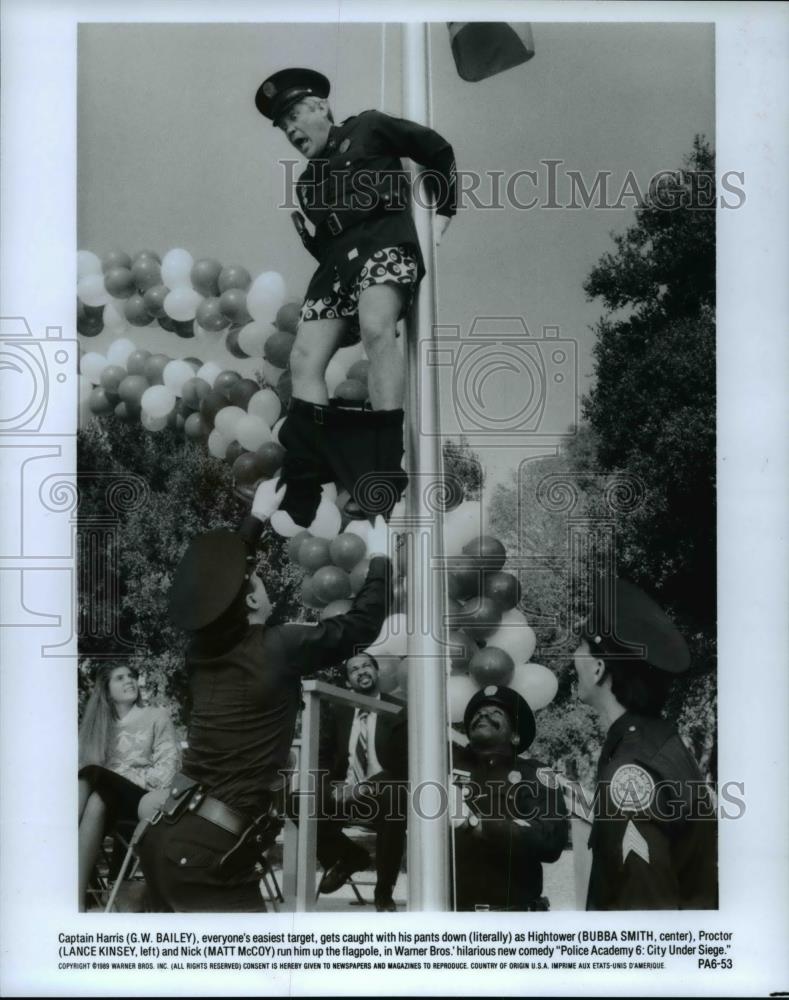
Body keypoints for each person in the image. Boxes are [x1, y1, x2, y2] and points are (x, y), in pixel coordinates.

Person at [135, 481, 392, 911]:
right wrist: (382, 558)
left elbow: (215, 593)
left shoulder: (201, 654)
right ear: (253, 597)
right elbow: (362, 625)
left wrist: (254, 520)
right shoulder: (280, 646)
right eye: (257, 578)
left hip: (166, 834)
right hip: (209, 853)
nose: (262, 582)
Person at [254, 68, 457, 525]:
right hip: (335, 269)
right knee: (304, 359)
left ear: (321, 106)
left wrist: (443, 212)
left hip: (382, 243)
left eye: (293, 115)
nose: (289, 130)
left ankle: (383, 463)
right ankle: (306, 472)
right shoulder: (306, 185)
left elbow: (436, 148)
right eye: (281, 125)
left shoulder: (368, 127)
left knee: (376, 329)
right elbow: (326, 243)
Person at [572, 577, 718, 910]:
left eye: (580, 645)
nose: (573, 656)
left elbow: (644, 923)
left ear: (597, 669)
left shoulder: (631, 771)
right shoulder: (661, 745)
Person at [451, 685, 569, 911]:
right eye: (477, 713)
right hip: (453, 918)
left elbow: (551, 840)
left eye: (496, 713)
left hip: (514, 917)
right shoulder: (443, 767)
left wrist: (473, 824)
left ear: (515, 736)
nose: (483, 715)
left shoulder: (537, 774)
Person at [77, 663, 180, 910]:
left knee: (91, 773)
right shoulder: (99, 725)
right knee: (97, 800)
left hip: (145, 799)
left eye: (131, 676)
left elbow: (167, 771)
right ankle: (77, 899)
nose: (130, 681)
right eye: (120, 678)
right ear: (106, 689)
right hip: (109, 802)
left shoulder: (157, 716)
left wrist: (121, 776)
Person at [315, 653, 408, 911]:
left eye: (366, 666)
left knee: (395, 798)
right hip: (342, 792)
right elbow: (322, 756)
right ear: (349, 680)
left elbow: (404, 766)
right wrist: (328, 787)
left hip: (383, 793)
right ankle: (349, 857)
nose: (361, 672)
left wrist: (365, 787)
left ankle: (383, 891)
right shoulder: (339, 711)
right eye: (354, 669)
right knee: (297, 801)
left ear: (378, 673)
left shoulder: (399, 711)